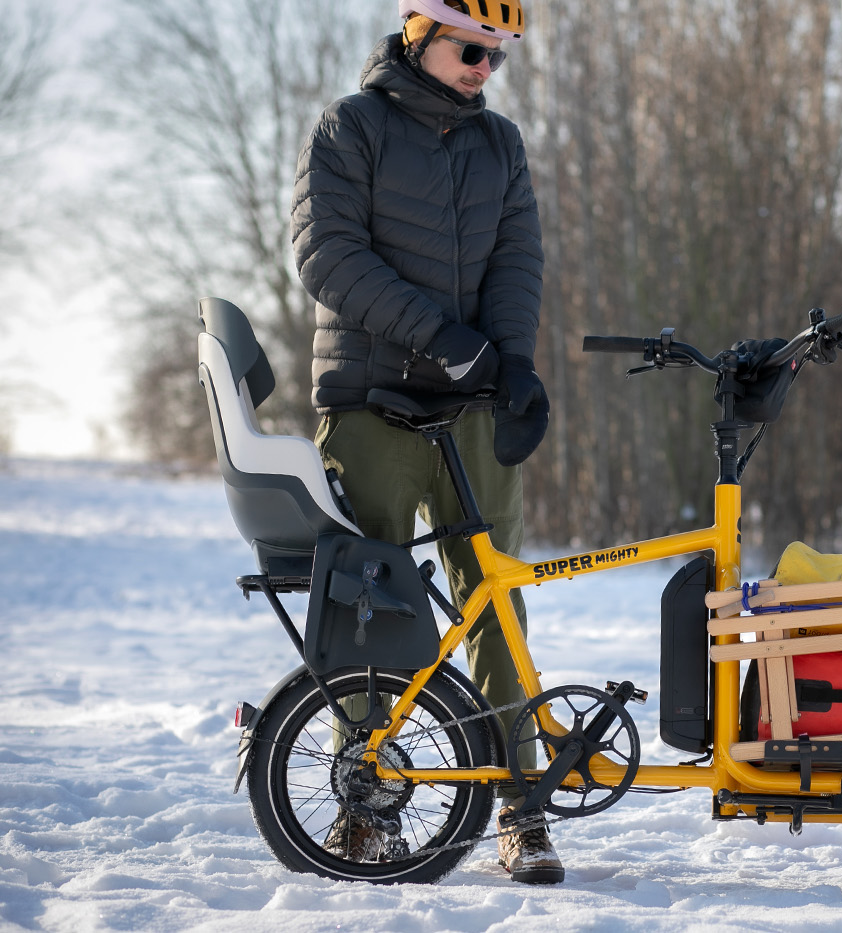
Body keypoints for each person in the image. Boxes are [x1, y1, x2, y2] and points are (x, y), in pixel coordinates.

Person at [290, 0, 559, 884]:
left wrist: (510, 361)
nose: (487, 69)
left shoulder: (499, 145)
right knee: (370, 607)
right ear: (419, 37)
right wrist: (443, 337)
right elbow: (327, 254)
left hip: (470, 408)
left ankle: (523, 808)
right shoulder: (350, 127)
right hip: (371, 401)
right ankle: (364, 808)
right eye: (474, 49)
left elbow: (518, 258)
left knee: (496, 602)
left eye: (500, 56)